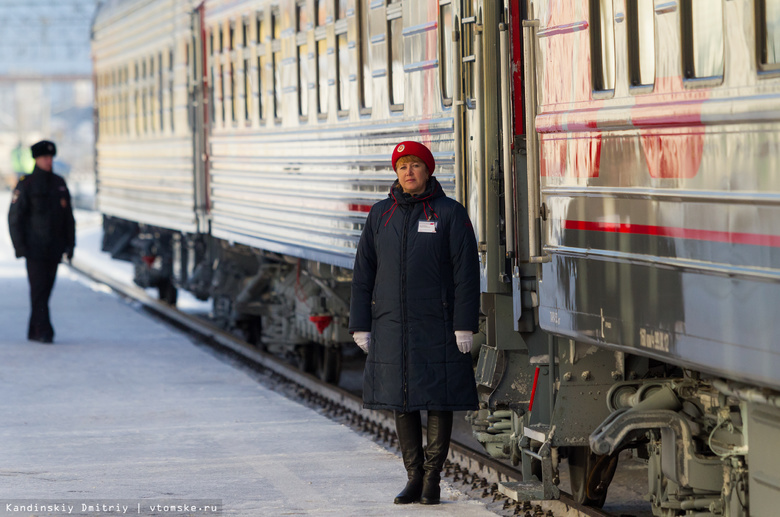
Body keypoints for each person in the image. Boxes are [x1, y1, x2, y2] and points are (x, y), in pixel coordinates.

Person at [349, 141, 480, 505]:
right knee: (400, 399)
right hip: (392, 323)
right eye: (403, 165)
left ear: (428, 171)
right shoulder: (380, 215)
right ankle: (413, 476)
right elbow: (364, 274)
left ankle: (433, 477)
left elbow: (466, 273)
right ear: (396, 172)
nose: (409, 172)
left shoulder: (449, 213)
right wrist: (361, 324)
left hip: (437, 322)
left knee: (438, 398)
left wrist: (464, 323)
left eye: (416, 165)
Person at [8, 140, 75, 344]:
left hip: (54, 247)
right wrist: (20, 247)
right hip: (34, 248)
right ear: (36, 159)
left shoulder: (59, 183)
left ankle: (34, 329)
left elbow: (68, 218)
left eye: (51, 157)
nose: (49, 161)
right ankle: (45, 331)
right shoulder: (26, 184)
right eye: (45, 158)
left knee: (46, 290)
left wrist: (70, 245)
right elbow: (14, 217)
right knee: (38, 290)